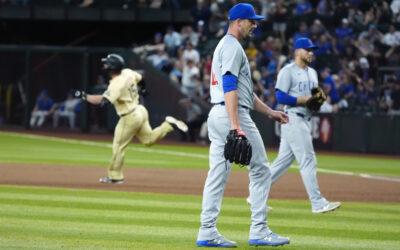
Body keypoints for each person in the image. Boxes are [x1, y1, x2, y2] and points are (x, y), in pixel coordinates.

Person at [196, 3, 290, 248]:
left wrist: (270, 112)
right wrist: (236, 126)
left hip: (218, 114)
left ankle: (206, 231)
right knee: (261, 170)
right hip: (231, 114)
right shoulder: (233, 47)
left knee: (217, 174)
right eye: (252, 20)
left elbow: (242, 91)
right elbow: (229, 85)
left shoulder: (225, 46)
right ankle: (259, 230)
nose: (255, 24)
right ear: (238, 22)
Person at [76, 54, 188, 184]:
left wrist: (83, 96)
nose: (104, 66)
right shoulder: (127, 72)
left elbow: (102, 101)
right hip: (140, 110)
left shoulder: (116, 84)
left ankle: (115, 176)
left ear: (112, 67)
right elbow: (141, 79)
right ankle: (168, 125)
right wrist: (144, 90)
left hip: (129, 116)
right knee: (149, 140)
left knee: (118, 147)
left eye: (106, 64)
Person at [271, 37, 341, 213]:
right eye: (307, 50)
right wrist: (300, 100)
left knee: (282, 162)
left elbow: (313, 99)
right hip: (293, 117)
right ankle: (318, 203)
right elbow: (280, 97)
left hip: (305, 118)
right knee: (308, 160)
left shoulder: (313, 73)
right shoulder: (288, 71)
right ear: (297, 51)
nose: (311, 53)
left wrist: (318, 101)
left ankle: (255, 194)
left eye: (312, 50)